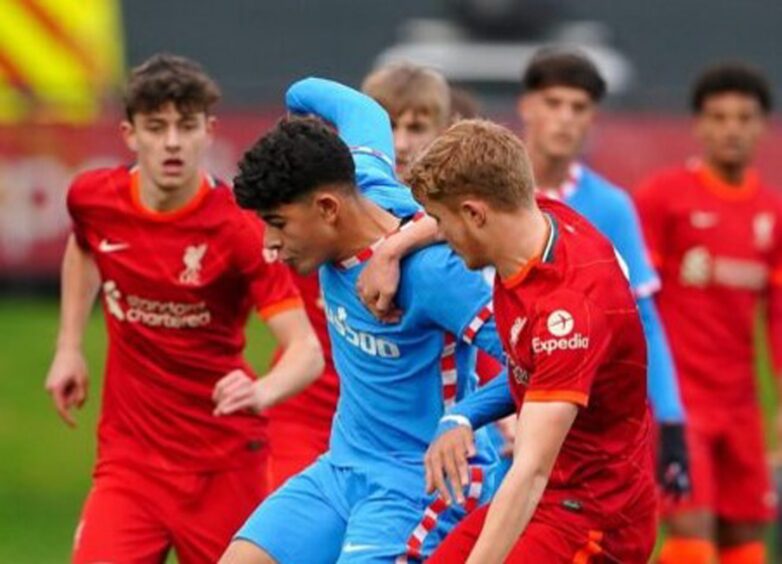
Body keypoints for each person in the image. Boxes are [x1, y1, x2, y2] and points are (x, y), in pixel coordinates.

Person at [43, 53, 324, 563]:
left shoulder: (238, 229)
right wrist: (68, 348)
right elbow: (84, 246)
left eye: (185, 126)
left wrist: (262, 391)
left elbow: (306, 351)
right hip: (130, 465)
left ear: (208, 131)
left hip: (223, 466)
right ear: (130, 134)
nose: (172, 142)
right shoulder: (92, 198)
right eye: (156, 127)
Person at [220, 78, 503, 564]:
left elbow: (536, 360)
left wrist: (463, 417)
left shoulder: (432, 274)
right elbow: (359, 108)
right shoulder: (365, 176)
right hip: (343, 469)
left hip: (421, 484)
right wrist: (295, 109)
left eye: (278, 223)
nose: (268, 246)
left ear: (328, 208)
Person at [408, 118, 657, 563]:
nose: (439, 235)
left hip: (595, 518)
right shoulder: (536, 217)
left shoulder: (569, 314)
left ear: (474, 214)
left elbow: (530, 472)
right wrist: (463, 417)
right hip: (552, 499)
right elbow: (532, 372)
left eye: (441, 221)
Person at [517, 47, 690, 498]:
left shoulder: (611, 207)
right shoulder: (490, 197)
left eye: (579, 108)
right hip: (491, 416)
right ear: (527, 107)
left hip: (577, 420)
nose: (565, 119)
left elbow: (642, 320)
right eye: (554, 103)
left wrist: (670, 418)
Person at [635, 62, 782, 564]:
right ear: (698, 125)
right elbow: (636, 302)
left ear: (762, 125)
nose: (732, 129)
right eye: (719, 117)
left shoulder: (772, 213)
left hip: (742, 406)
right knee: (692, 535)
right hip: (681, 401)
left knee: (745, 539)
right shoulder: (662, 197)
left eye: (744, 117)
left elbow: (779, 318)